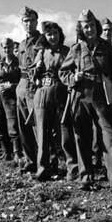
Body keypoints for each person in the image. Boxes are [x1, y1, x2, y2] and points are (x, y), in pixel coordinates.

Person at [59, 9, 112, 190]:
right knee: (82, 135)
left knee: (110, 134)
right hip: (81, 95)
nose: (90, 29)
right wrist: (73, 78)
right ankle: (86, 176)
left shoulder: (106, 47)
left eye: (92, 26)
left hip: (102, 95)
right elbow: (62, 72)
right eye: (86, 27)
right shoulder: (76, 49)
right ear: (81, 29)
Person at [32, 21, 78, 181]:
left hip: (62, 93)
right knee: (42, 134)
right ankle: (43, 168)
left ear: (60, 34)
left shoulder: (67, 51)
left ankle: (73, 169)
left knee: (65, 133)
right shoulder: (41, 52)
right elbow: (32, 76)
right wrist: (36, 69)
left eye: (55, 33)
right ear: (45, 36)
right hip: (43, 94)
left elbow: (72, 70)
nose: (52, 37)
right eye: (49, 34)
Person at [16, 7, 41, 172]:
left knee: (37, 125)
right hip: (22, 84)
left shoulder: (41, 41)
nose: (29, 24)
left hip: (34, 85)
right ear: (21, 23)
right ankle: (30, 160)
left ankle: (44, 162)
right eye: (26, 21)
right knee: (23, 126)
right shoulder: (22, 44)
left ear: (36, 22)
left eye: (31, 20)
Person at [0, 38, 22, 163]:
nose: (7, 50)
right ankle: (6, 152)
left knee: (13, 124)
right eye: (4, 47)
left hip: (11, 98)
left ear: (13, 47)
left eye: (9, 47)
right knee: (0, 125)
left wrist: (12, 86)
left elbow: (23, 81)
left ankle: (17, 153)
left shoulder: (18, 63)